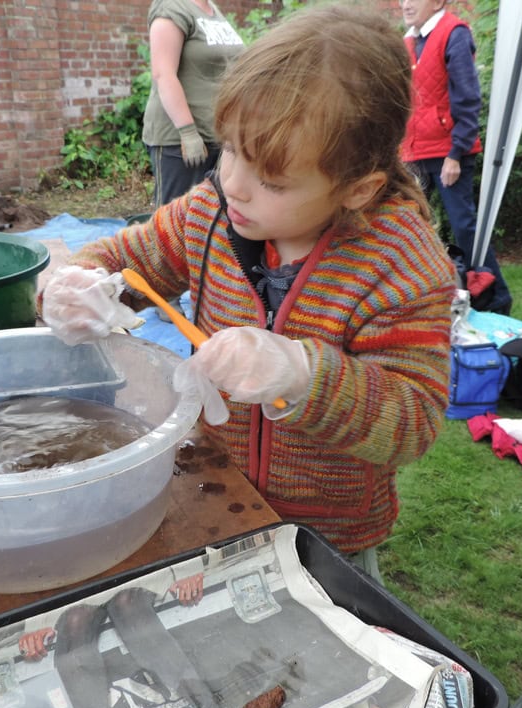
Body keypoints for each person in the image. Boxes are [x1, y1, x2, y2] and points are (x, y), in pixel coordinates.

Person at [42, 3, 456, 582]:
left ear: (358, 189)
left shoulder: (401, 267)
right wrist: (82, 285)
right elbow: (124, 259)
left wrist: (304, 375)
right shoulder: (211, 210)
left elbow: (412, 422)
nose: (232, 183)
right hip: (216, 491)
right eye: (231, 148)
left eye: (273, 180)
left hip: (327, 536)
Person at [400, 0, 512, 314]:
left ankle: (498, 299)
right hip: (415, 154)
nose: (406, 3)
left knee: (464, 227)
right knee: (409, 223)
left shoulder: (454, 33)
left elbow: (468, 97)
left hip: (449, 153)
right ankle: (420, 296)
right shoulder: (409, 40)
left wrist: (456, 154)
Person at [142, 0, 244, 209]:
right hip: (181, 141)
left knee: (211, 215)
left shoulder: (212, 10)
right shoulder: (171, 8)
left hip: (216, 136)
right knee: (176, 217)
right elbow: (163, 74)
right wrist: (188, 132)